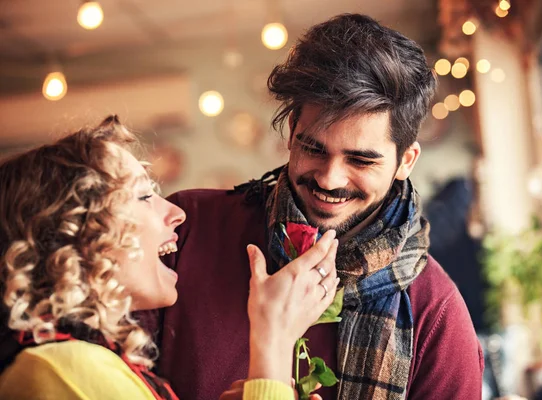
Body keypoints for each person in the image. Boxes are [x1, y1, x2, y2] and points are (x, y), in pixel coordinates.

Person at [151, 13, 484, 400]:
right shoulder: (183, 229)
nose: (329, 179)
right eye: (313, 148)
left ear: (406, 161)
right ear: (292, 132)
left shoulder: (437, 315)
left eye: (361, 160)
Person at [0, 116, 338, 400]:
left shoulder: (96, 365)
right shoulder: (60, 370)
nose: (176, 212)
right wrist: (274, 340)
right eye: (144, 196)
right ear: (74, 233)